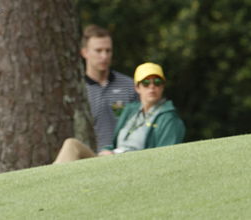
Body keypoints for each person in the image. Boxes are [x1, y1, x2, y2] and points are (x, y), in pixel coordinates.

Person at [54, 62, 185, 163]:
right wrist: (107, 151)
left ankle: (48, 187)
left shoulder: (169, 119)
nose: (152, 87)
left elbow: (166, 158)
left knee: (72, 145)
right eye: (146, 83)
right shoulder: (131, 111)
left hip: (128, 166)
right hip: (111, 159)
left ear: (163, 86)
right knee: (71, 144)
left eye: (157, 82)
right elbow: (117, 144)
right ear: (137, 87)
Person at [80, 25, 138, 152]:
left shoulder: (129, 86)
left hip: (126, 156)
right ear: (84, 52)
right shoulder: (77, 90)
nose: (104, 56)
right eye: (98, 50)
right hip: (89, 161)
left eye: (108, 51)